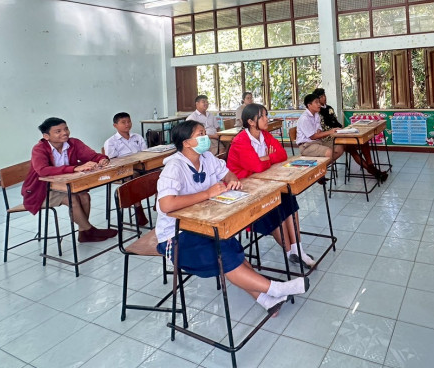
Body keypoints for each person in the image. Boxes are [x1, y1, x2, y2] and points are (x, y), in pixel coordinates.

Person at [155, 120, 309, 315]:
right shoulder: (174, 167)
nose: (206, 137)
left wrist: (233, 182)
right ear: (186, 143)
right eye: (200, 134)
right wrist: (207, 193)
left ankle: (266, 300)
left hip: (206, 224)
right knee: (225, 256)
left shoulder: (207, 157)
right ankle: (275, 288)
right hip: (176, 235)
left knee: (232, 250)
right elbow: (166, 205)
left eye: (204, 132)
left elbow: (228, 174)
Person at [227, 103, 316, 268]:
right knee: (272, 208)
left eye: (266, 115)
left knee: (288, 199)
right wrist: (263, 161)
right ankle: (290, 252)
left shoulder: (265, 135)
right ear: (251, 122)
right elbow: (257, 166)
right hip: (245, 189)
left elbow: (282, 155)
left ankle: (298, 249)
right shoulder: (240, 141)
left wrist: (264, 159)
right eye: (262, 116)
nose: (267, 119)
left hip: (264, 182)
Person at [23, 117, 117, 242]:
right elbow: (43, 170)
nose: (64, 133)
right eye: (58, 131)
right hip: (41, 191)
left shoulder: (73, 143)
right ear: (46, 136)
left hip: (65, 186)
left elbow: (92, 156)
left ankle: (83, 233)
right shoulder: (39, 149)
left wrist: (102, 159)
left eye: (66, 129)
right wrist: (75, 168)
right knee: (72, 199)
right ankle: (89, 230)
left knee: (85, 196)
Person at [296, 93, 388, 182]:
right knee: (329, 153)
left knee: (343, 146)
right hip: (307, 145)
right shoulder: (305, 118)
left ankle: (371, 168)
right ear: (309, 105)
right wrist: (330, 132)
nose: (319, 104)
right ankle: (318, 172)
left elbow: (319, 131)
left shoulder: (317, 115)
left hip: (320, 140)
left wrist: (337, 130)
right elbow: (313, 136)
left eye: (319, 101)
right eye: (316, 102)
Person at [313, 87, 383, 179]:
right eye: (321, 97)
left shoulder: (329, 108)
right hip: (330, 136)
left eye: (324, 95)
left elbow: (335, 122)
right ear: (317, 100)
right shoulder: (318, 113)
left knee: (363, 141)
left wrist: (342, 128)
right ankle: (372, 170)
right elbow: (324, 128)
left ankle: (370, 165)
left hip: (339, 132)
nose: (324, 98)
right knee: (351, 147)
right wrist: (336, 130)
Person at [104, 112, 149, 227]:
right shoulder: (111, 142)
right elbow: (112, 161)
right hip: (122, 171)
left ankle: (159, 201)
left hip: (140, 166)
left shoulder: (137, 137)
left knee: (159, 173)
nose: (127, 124)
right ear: (115, 125)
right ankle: (138, 209)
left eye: (129, 121)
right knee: (134, 177)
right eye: (123, 122)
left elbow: (146, 153)